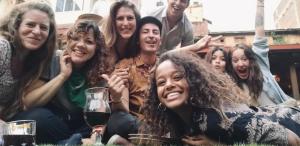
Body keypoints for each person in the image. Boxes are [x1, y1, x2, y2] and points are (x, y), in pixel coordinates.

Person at [142, 50, 300, 146]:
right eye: (161, 82)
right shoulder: (177, 119)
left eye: (177, 77)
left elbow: (292, 141)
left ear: (192, 81)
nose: (168, 85)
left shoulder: (213, 119)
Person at [21, 21, 112, 144]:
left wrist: (94, 139)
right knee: (36, 117)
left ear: (96, 48)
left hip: (80, 125)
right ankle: (72, 142)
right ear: (68, 41)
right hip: (54, 121)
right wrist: (63, 76)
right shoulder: (53, 60)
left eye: (89, 41)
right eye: (75, 38)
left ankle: (72, 141)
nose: (80, 45)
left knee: (97, 127)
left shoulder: (100, 72)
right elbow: (29, 102)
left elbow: (99, 119)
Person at [100, 16, 162, 144]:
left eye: (155, 32)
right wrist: (116, 97)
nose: (151, 36)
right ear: (138, 40)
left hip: (163, 122)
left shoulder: (166, 65)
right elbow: (124, 110)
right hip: (134, 124)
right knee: (118, 120)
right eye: (145, 32)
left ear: (160, 40)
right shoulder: (125, 66)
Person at [227, 0, 294, 106]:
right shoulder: (232, 87)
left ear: (251, 60)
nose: (240, 64)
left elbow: (259, 30)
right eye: (235, 60)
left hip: (284, 118)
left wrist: (260, 4)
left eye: (244, 59)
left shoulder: (261, 67)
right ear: (231, 64)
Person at [0, 1, 56, 121]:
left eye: (43, 27)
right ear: (15, 26)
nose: (37, 31)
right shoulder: (2, 47)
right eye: (30, 24)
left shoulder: (35, 59)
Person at [101, 0, 141, 64]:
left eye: (130, 18)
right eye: (120, 18)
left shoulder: (140, 48)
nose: (125, 23)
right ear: (113, 23)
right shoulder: (101, 50)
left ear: (137, 21)